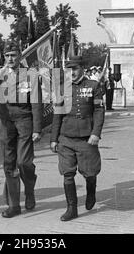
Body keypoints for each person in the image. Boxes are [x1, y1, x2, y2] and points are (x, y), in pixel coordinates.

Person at [50, 55, 105, 221]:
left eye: (74, 69)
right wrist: (54, 138)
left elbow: (99, 111)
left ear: (82, 69)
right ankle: (71, 209)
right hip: (66, 138)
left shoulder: (94, 86)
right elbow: (57, 114)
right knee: (67, 173)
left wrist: (96, 133)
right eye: (69, 69)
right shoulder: (62, 88)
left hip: (86, 138)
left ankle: (91, 190)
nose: (71, 72)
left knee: (90, 173)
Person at [0, 43, 42, 218]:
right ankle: (14, 205)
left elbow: (36, 102)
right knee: (9, 163)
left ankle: (29, 189)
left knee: (24, 162)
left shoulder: (30, 75)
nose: (10, 59)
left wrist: (37, 128)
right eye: (7, 55)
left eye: (13, 55)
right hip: (6, 122)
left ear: (20, 55)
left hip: (24, 120)